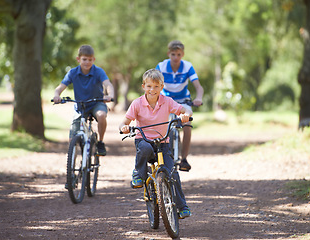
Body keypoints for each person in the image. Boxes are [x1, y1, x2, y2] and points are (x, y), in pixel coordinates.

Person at [119, 69, 192, 219]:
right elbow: (124, 122)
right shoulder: (137, 103)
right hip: (144, 139)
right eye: (149, 86)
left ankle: (182, 207)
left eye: (156, 86)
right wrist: (124, 127)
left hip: (162, 142)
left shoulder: (167, 101)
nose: (152, 90)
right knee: (144, 149)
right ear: (143, 86)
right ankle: (138, 173)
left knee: (172, 173)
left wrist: (185, 115)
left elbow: (184, 109)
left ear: (162, 87)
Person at [53, 44, 114, 156]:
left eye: (90, 60)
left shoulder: (98, 71)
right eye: (84, 59)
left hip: (96, 103)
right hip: (80, 106)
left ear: (94, 60)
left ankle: (100, 142)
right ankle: (72, 163)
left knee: (101, 115)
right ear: (78, 59)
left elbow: (108, 84)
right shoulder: (73, 73)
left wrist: (109, 95)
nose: (87, 62)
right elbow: (60, 87)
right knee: (73, 137)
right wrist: (56, 95)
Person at [155, 40, 204, 172]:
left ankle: (184, 158)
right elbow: (153, 82)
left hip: (183, 101)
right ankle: (159, 154)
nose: (176, 57)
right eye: (173, 54)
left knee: (187, 123)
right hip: (165, 101)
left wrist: (198, 98)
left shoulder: (188, 67)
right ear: (168, 54)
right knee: (159, 125)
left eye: (178, 54)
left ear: (182, 54)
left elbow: (198, 87)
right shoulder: (161, 66)